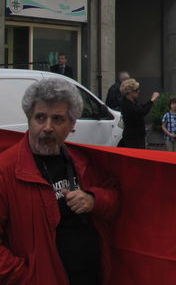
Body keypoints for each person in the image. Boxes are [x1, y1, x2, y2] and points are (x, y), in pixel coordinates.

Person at [0, 78, 119, 284]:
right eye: (40, 117)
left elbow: (114, 198)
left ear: (72, 124)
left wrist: (93, 199)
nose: (47, 127)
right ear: (29, 119)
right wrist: (27, 278)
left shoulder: (82, 162)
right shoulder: (5, 170)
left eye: (57, 119)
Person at [119, 78, 159, 149]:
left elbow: (141, 107)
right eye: (136, 90)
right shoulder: (126, 104)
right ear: (129, 92)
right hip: (133, 138)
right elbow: (142, 112)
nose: (138, 91)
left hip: (138, 135)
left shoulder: (133, 101)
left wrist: (150, 100)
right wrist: (152, 100)